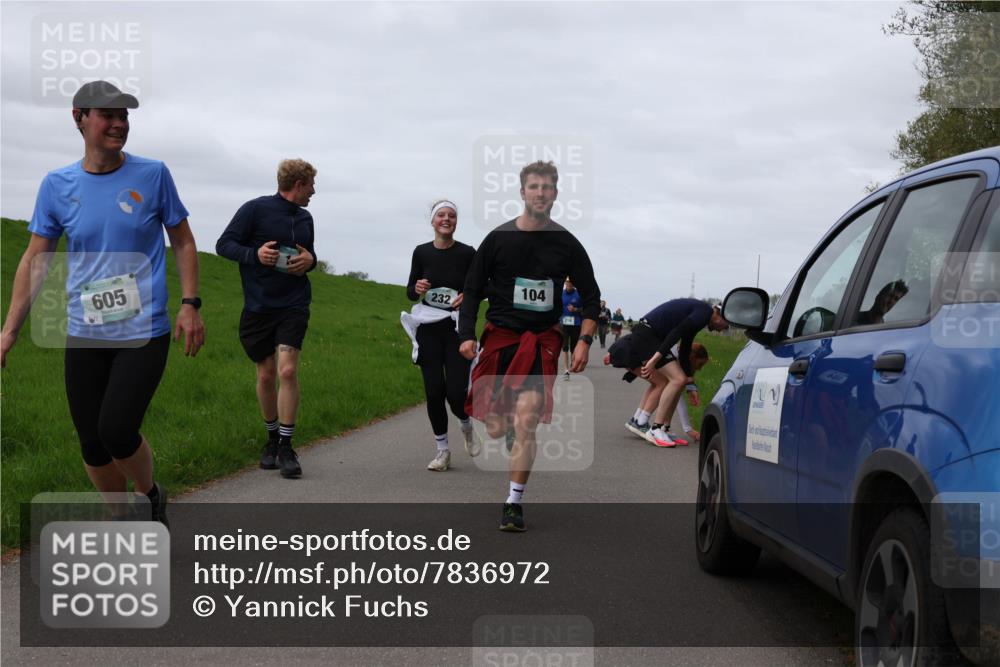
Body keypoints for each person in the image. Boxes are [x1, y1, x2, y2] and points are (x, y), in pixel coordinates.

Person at [0, 81, 205, 526]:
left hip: (144, 328)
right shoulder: (57, 185)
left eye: (124, 116)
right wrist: (9, 331)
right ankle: (120, 517)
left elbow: (184, 241)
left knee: (116, 430)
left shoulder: (153, 175)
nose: (119, 124)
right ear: (80, 118)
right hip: (86, 327)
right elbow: (36, 258)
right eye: (108, 116)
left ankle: (149, 495)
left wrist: (190, 303)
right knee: (91, 440)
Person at [459, 160, 600, 532]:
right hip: (501, 337)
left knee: (528, 417)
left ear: (556, 193)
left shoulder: (567, 244)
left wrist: (584, 341)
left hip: (542, 340)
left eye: (547, 187)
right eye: (533, 187)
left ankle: (513, 502)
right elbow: (472, 290)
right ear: (522, 192)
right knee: (494, 426)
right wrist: (466, 335)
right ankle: (502, 425)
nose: (540, 193)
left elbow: (592, 297)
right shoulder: (498, 239)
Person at [216, 159, 318, 479]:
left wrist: (310, 261)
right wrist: (254, 255)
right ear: (298, 184)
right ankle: (271, 439)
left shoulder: (305, 218)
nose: (314, 192)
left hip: (294, 303)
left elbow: (309, 254)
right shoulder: (255, 210)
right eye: (311, 185)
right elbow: (224, 245)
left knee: (287, 370)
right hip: (259, 306)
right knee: (266, 375)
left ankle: (287, 446)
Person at [400, 199, 480, 472]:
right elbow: (411, 290)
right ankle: (442, 451)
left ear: (456, 222)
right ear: (433, 221)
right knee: (434, 392)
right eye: (441, 215)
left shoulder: (468, 253)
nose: (447, 219)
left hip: (457, 329)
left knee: (457, 394)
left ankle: (466, 425)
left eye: (452, 216)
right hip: (429, 329)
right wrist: (417, 287)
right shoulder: (421, 252)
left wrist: (467, 295)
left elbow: (485, 287)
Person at [607, 298, 728, 447]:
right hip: (648, 334)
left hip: (649, 334)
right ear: (720, 316)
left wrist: (691, 385)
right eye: (726, 325)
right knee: (676, 380)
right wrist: (654, 359)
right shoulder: (704, 312)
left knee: (679, 379)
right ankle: (655, 428)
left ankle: (661, 427)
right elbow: (676, 333)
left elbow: (684, 350)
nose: (723, 330)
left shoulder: (701, 315)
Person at [613, 342, 709, 445]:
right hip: (628, 353)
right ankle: (645, 424)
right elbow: (677, 394)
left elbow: (677, 393)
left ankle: (637, 420)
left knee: (658, 384)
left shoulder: (677, 353)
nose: (699, 369)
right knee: (663, 384)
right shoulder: (674, 358)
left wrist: (691, 387)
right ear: (692, 358)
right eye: (700, 364)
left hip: (625, 351)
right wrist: (687, 428)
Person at [560, 278, 582, 379]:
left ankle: (573, 365)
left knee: (573, 347)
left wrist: (575, 309)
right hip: (564, 323)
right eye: (567, 282)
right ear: (565, 283)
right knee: (565, 347)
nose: (569, 284)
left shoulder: (578, 294)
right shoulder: (561, 293)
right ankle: (566, 370)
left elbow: (585, 308)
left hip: (576, 323)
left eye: (571, 283)